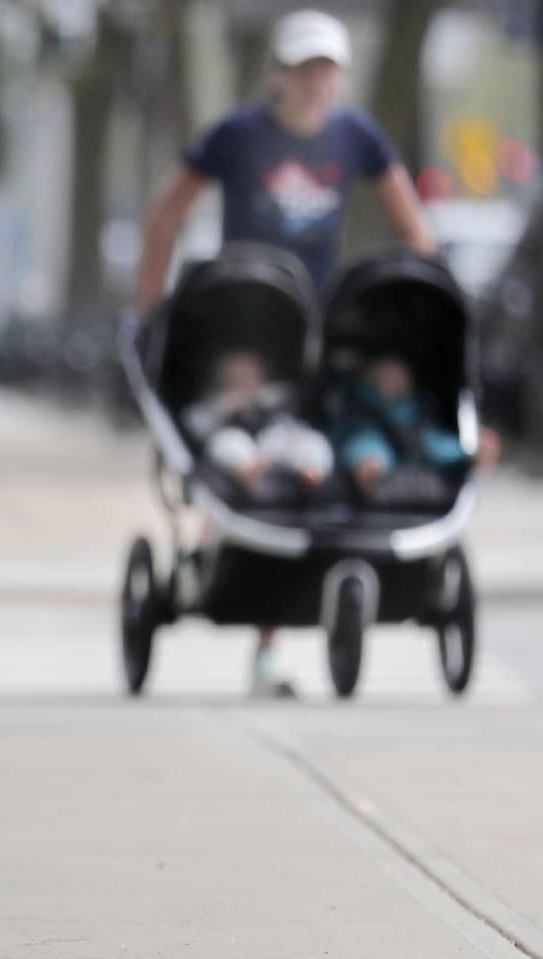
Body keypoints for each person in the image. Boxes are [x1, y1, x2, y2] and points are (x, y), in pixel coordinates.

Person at [135, 8, 437, 697]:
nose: (313, 82)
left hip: (316, 322)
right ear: (278, 73)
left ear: (338, 77)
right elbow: (165, 215)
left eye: (325, 70)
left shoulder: (354, 135)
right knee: (242, 452)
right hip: (244, 319)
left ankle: (297, 603)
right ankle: (237, 587)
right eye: (301, 69)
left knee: (308, 454)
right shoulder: (238, 137)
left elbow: (411, 226)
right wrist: (151, 305)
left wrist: (422, 301)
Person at [184, 351, 333, 495]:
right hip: (242, 443)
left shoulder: (269, 395)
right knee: (227, 442)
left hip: (272, 442)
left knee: (308, 440)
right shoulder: (216, 405)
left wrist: (266, 399)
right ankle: (246, 469)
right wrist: (227, 404)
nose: (245, 384)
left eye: (251, 377)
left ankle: (311, 469)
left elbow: (290, 398)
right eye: (237, 379)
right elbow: (195, 422)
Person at [329, 353, 469, 500]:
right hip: (363, 448)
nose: (392, 382)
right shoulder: (354, 408)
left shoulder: (415, 410)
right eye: (383, 378)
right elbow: (355, 439)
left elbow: (433, 441)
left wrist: (464, 451)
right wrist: (367, 459)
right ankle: (368, 466)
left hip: (413, 454)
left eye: (398, 379)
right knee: (365, 441)